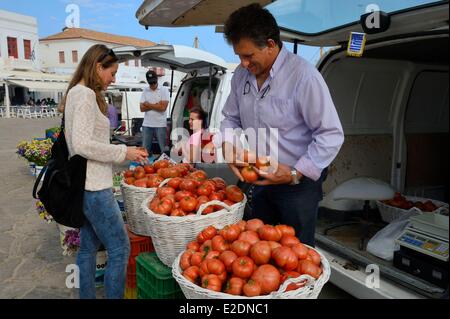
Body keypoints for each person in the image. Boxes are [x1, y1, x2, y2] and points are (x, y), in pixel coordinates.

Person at [216, 4, 345, 246]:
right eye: (239, 56)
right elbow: (231, 118)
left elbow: (331, 134)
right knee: (257, 250)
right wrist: (229, 144)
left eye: (249, 56)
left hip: (297, 184)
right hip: (258, 175)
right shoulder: (240, 77)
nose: (243, 63)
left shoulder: (304, 77)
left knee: (294, 255)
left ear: (271, 44)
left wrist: (296, 172)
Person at [60, 44, 148, 299]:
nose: (114, 78)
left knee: (87, 247)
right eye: (113, 72)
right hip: (94, 187)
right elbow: (82, 144)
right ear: (98, 67)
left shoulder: (78, 93)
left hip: (84, 185)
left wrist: (121, 148)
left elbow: (83, 141)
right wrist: (124, 153)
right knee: (120, 248)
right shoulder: (85, 95)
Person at [140, 70, 170, 159]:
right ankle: (146, 167)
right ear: (147, 81)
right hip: (147, 124)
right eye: (150, 82)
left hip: (160, 124)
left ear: (157, 79)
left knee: (163, 150)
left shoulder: (164, 90)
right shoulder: (145, 90)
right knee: (145, 150)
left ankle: (165, 166)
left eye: (153, 82)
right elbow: (141, 108)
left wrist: (148, 104)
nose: (152, 84)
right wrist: (157, 104)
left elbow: (163, 108)